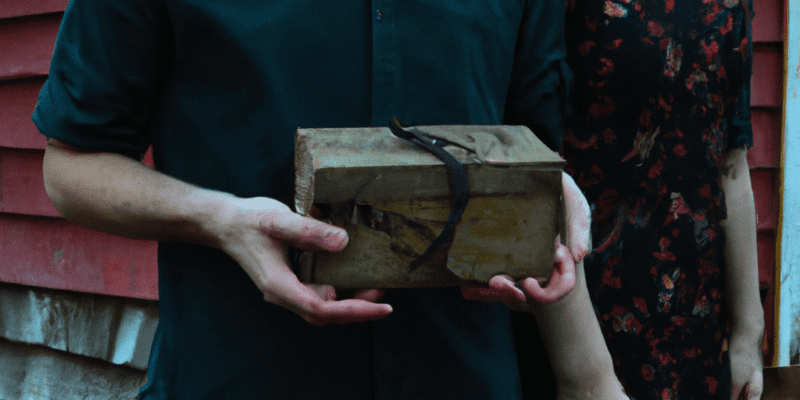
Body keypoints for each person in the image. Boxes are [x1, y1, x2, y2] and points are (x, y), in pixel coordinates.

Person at [35, 1, 626, 399]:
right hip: (238, 371)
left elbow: (531, 149)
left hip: (461, 371)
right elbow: (72, 169)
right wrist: (219, 219)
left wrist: (552, 201)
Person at [559, 0, 765, 397]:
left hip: (699, 325)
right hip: (585, 319)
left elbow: (732, 162)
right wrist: (583, 370)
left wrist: (747, 334)